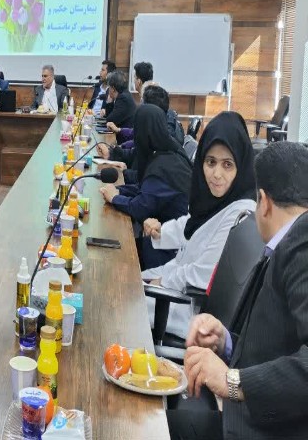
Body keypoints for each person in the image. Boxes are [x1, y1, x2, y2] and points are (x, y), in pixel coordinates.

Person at [167, 142, 308, 440]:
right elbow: (281, 344)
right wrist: (226, 342)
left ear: (264, 202)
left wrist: (232, 380)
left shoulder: (302, 244)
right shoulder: (287, 243)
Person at [141, 112, 256, 339]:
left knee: (121, 303)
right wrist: (160, 232)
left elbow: (203, 274)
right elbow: (191, 224)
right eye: (210, 162)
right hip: (174, 290)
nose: (216, 174)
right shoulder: (215, 200)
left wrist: (163, 280)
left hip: (188, 311)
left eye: (227, 165)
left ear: (241, 166)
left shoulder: (240, 212)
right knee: (123, 286)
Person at [100, 104, 192, 269]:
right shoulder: (167, 150)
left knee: (111, 260)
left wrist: (115, 198)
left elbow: (141, 207)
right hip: (160, 235)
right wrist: (118, 190)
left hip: (168, 250)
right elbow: (145, 189)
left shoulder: (164, 166)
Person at [102, 85, 184, 166]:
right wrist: (112, 153)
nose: (140, 105)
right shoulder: (157, 129)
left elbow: (143, 170)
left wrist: (124, 171)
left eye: (142, 101)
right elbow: (135, 154)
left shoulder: (163, 149)